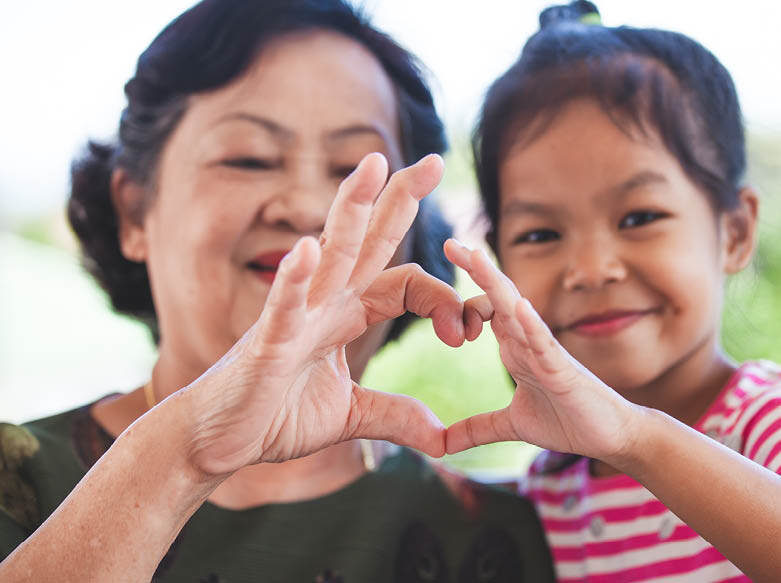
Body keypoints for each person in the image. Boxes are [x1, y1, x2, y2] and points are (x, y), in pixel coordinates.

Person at [0, 1, 556, 581]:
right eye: (249, 158)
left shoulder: (504, 538)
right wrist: (182, 456)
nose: (309, 208)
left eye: (354, 170)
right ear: (135, 212)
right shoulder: (16, 481)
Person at [443, 1, 781, 581]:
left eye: (639, 216)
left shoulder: (764, 423)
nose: (592, 269)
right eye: (541, 233)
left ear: (735, 231)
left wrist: (639, 439)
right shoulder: (549, 487)